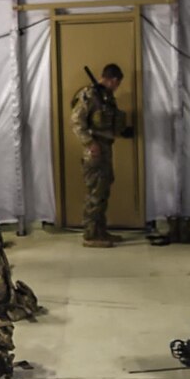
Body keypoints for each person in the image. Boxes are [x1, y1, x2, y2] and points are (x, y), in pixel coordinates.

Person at [68, 63, 133, 247]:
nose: (117, 87)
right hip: (94, 151)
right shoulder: (90, 95)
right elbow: (76, 122)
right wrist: (90, 142)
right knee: (95, 191)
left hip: (105, 148)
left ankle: (100, 231)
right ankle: (90, 235)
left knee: (103, 190)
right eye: (117, 83)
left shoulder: (105, 97)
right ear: (112, 79)